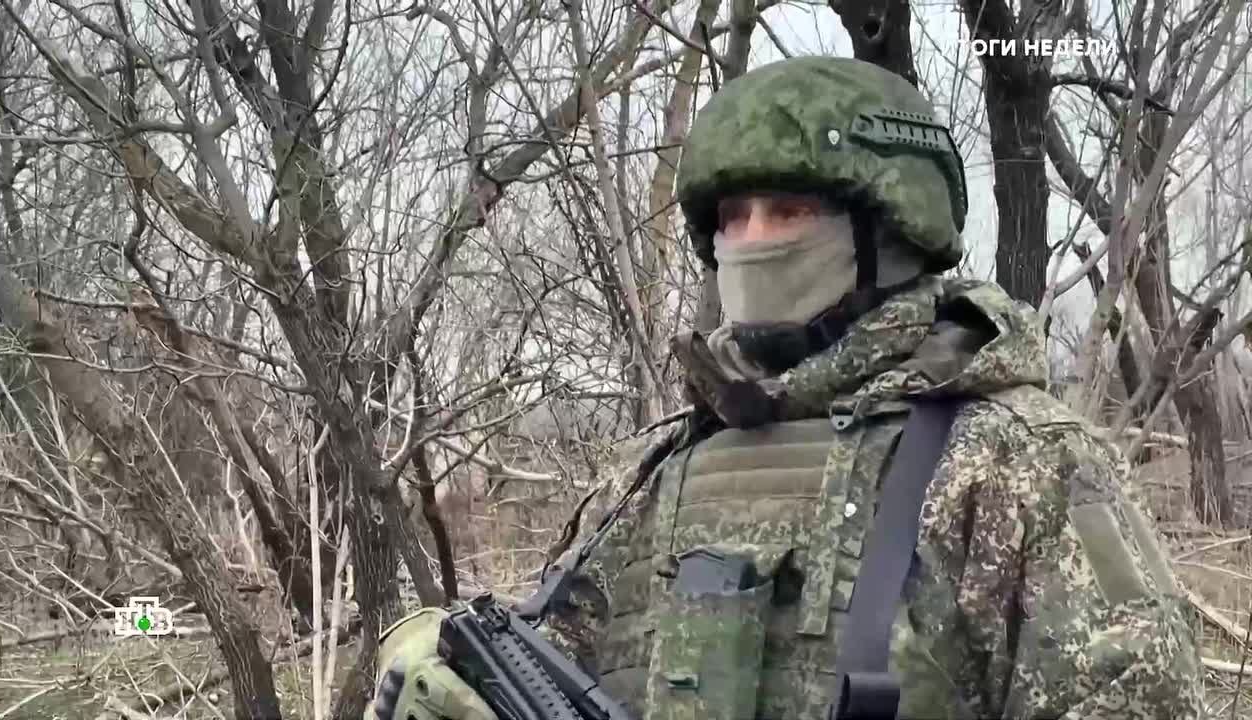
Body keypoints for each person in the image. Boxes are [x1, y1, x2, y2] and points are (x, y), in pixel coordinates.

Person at [367, 56, 1203, 720]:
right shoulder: (653, 472)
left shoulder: (1020, 464)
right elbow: (553, 663)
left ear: (891, 229)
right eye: (733, 217)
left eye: (788, 210)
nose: (753, 240)